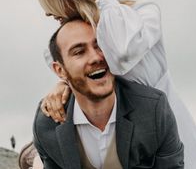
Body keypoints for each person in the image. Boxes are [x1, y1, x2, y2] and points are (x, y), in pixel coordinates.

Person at [21, 0, 196, 169]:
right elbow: (83, 79)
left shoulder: (141, 15)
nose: (46, 12)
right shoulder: (59, 45)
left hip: (160, 140)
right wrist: (63, 85)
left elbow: (120, 53)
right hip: (113, 143)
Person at [34, 17, 184, 168]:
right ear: (60, 70)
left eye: (99, 46)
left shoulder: (153, 110)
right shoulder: (46, 124)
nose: (95, 57)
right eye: (79, 52)